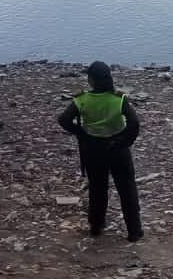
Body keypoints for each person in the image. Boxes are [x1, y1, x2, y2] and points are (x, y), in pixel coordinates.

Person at [57, 61, 144, 242]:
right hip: (117, 148)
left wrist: (82, 133)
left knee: (97, 188)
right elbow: (134, 123)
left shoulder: (82, 100)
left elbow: (64, 119)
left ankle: (96, 225)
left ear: (91, 80)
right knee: (127, 188)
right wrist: (125, 141)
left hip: (92, 148)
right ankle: (134, 231)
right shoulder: (119, 99)